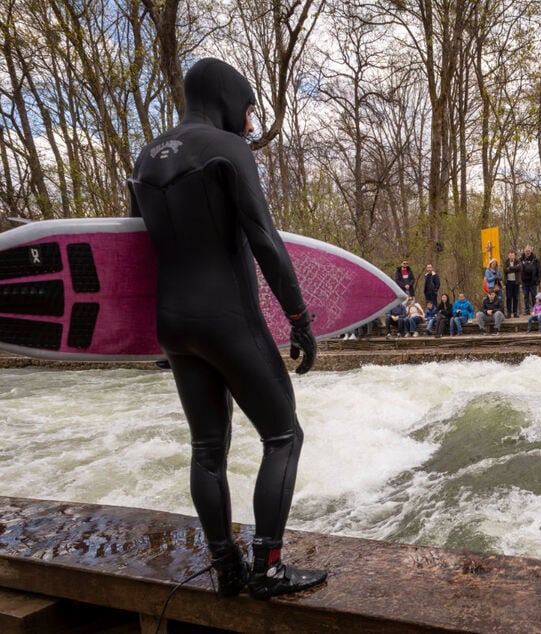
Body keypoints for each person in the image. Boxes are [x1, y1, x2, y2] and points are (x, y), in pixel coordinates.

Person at [128, 58, 324, 599]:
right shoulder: (226, 149)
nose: (251, 120)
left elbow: (132, 253)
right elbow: (265, 239)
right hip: (227, 317)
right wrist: (299, 319)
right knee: (284, 435)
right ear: (226, 98)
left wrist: (150, 340)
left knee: (207, 449)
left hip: (174, 325)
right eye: (249, 107)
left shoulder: (145, 158)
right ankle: (268, 568)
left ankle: (227, 568)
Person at [520, 245, 541, 315]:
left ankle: (536, 309)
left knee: (534, 296)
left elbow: (539, 270)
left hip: (533, 281)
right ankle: (527, 310)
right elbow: (518, 271)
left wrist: (538, 279)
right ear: (524, 251)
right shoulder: (521, 259)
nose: (527, 252)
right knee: (526, 296)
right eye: (526, 251)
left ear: (531, 251)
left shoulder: (535, 259)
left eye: (529, 251)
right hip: (524, 281)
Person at [503, 251, 522, 317]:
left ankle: (515, 312)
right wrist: (514, 268)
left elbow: (519, 268)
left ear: (514, 256)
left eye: (512, 255)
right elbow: (505, 270)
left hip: (516, 282)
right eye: (510, 255)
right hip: (508, 282)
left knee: (516, 297)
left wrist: (510, 268)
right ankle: (509, 313)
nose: (511, 257)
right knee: (508, 297)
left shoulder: (518, 261)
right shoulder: (506, 262)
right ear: (508, 256)